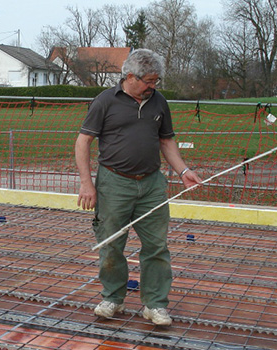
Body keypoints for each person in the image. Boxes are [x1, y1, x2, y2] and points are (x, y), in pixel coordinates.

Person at [74, 48, 202, 326]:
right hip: (113, 183)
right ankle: (113, 298)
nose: (153, 87)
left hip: (152, 184)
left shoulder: (159, 102)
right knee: (111, 244)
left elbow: (166, 141)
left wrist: (184, 171)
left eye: (156, 81)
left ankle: (155, 305)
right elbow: (83, 141)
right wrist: (87, 184)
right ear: (130, 76)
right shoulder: (105, 101)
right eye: (149, 81)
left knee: (156, 246)